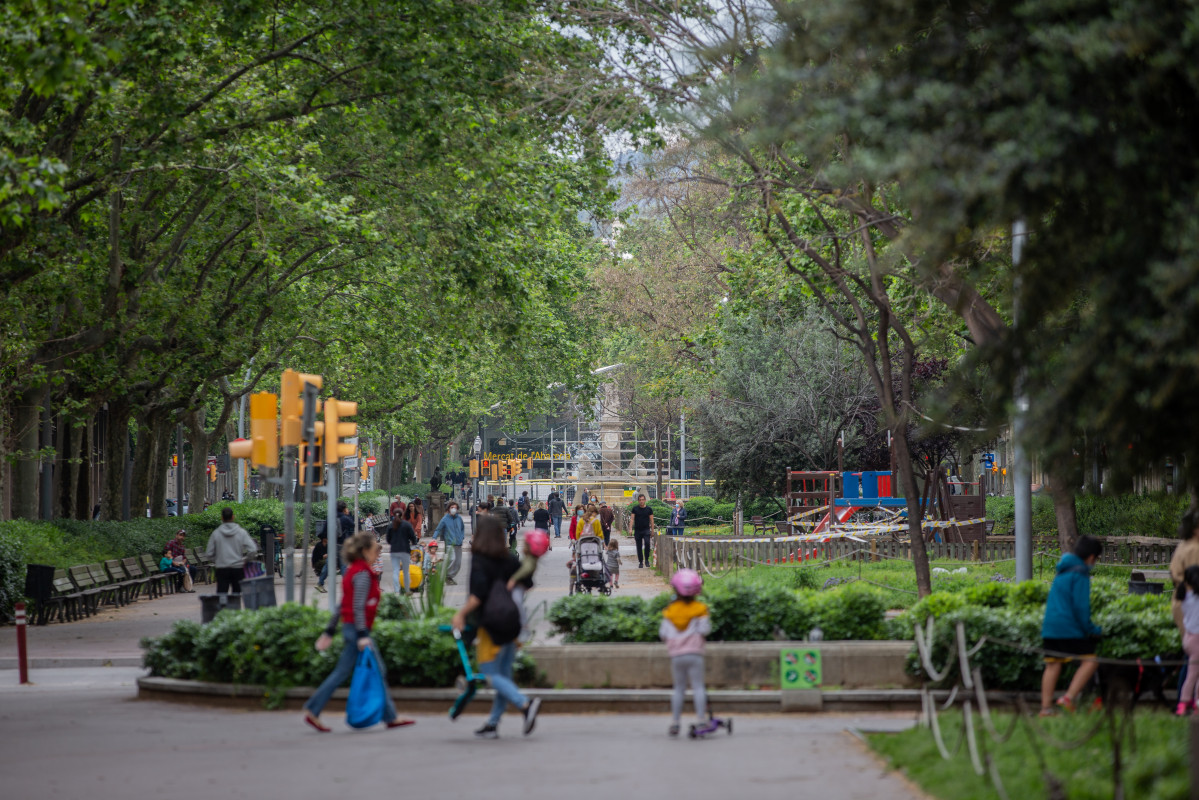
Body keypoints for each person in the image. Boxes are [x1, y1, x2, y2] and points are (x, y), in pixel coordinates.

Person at [302, 532, 415, 733]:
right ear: (364, 551)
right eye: (375, 550)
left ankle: (390, 717)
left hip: (352, 628)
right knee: (367, 671)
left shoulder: (354, 571)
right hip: (357, 630)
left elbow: (342, 605)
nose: (377, 554)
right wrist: (363, 635)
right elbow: (357, 606)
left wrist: (329, 631)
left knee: (356, 671)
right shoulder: (363, 574)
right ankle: (314, 709)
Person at [451, 515, 541, 739]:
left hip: (490, 625)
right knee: (504, 676)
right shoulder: (509, 559)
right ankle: (493, 723)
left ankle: (525, 705)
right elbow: (528, 583)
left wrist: (460, 614)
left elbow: (477, 595)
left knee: (490, 673)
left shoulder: (480, 560)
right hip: (511, 622)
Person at [1039, 535, 1103, 715]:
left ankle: (1045, 708)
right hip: (1069, 628)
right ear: (1091, 557)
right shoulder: (1080, 573)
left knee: (1053, 665)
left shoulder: (1063, 569)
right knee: (1091, 660)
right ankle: (1068, 699)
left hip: (1050, 626)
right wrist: (1092, 629)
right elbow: (1081, 607)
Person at [660, 569, 711, 736]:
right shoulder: (700, 609)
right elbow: (705, 629)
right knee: (698, 687)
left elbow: (663, 634)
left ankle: (675, 722)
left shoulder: (670, 611)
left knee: (679, 688)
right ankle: (702, 720)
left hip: (676, 655)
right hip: (695, 653)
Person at [507, 529, 550, 641]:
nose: (523, 546)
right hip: (521, 586)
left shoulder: (530, 561)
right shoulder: (530, 559)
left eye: (525, 544)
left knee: (517, 603)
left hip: (518, 586)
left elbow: (524, 570)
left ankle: (523, 628)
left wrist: (512, 580)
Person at [205, 507, 259, 594]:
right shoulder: (241, 532)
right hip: (237, 568)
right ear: (233, 517)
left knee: (222, 595)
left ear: (222, 518)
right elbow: (253, 550)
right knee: (237, 595)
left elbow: (209, 553)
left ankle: (223, 607)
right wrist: (245, 560)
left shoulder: (216, 533)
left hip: (222, 568)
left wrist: (218, 560)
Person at [1174, 565, 1199, 716]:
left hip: (1188, 638)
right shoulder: (1196, 598)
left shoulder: (1185, 597)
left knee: (1195, 673)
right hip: (1197, 640)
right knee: (1193, 674)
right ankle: (1184, 703)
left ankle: (1192, 702)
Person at [433, 500, 465, 585]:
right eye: (452, 507)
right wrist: (434, 538)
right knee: (451, 559)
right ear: (448, 509)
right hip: (450, 543)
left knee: (458, 563)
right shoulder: (445, 519)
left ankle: (449, 576)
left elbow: (462, 528)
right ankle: (444, 574)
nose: (454, 509)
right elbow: (438, 529)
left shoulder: (459, 518)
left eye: (455, 508)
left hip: (458, 543)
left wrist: (462, 537)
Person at [386, 510, 419, 594]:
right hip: (405, 550)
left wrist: (393, 543)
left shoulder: (390, 525)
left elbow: (388, 539)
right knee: (405, 571)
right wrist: (414, 543)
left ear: (393, 514)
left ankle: (397, 590)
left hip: (394, 550)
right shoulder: (407, 525)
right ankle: (407, 590)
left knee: (396, 570)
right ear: (402, 515)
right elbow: (412, 537)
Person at [628, 494, 656, 568]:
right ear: (638, 501)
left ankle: (646, 559)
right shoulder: (635, 509)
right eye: (640, 500)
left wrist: (652, 530)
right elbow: (632, 519)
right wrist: (630, 528)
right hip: (637, 530)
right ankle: (640, 561)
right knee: (639, 546)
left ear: (645, 500)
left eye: (642, 500)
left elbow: (652, 520)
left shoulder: (649, 509)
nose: (641, 501)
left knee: (647, 543)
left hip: (646, 529)